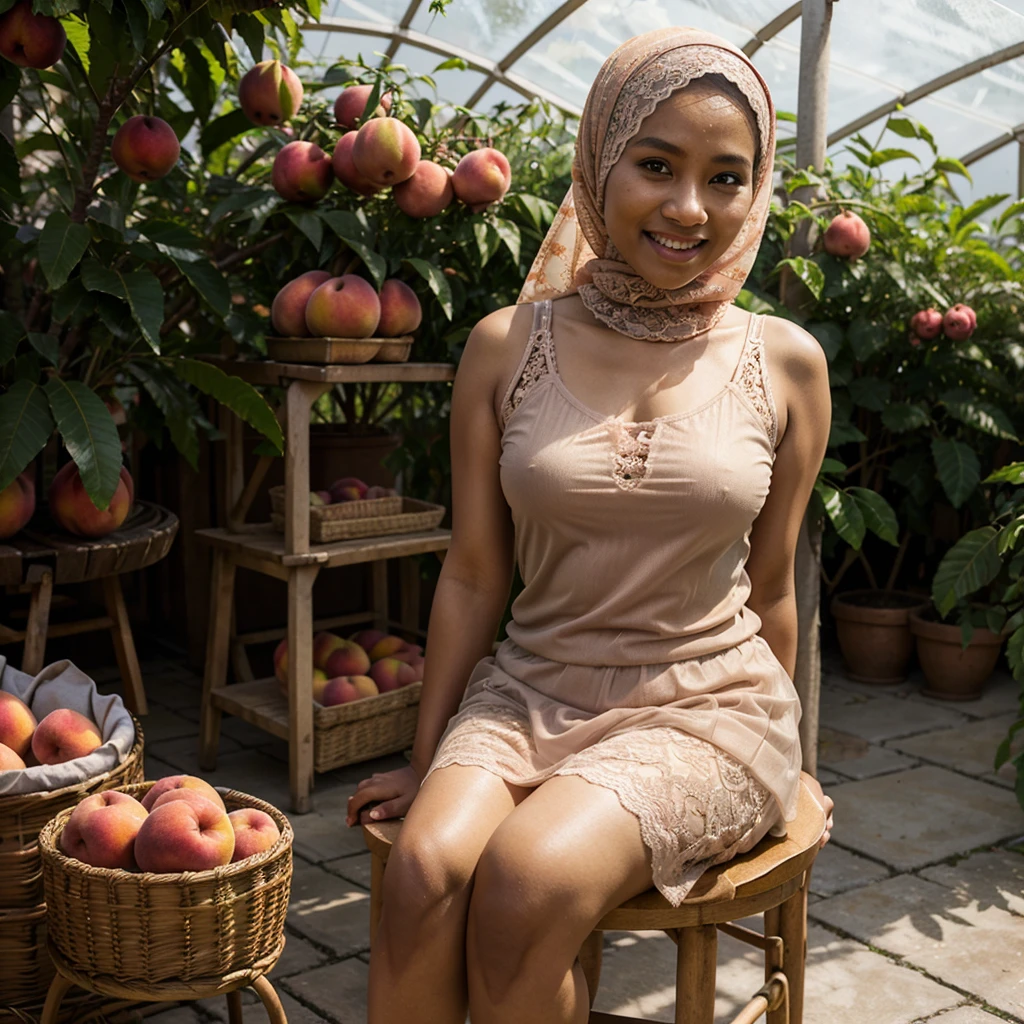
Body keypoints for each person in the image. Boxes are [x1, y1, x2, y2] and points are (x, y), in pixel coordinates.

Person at [347, 26, 835, 1024]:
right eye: (656, 164)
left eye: (726, 177)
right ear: (599, 160)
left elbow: (776, 585)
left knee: (526, 881)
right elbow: (476, 576)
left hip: (709, 712)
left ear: (756, 188)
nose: (690, 207)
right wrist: (427, 748)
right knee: (423, 877)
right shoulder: (504, 347)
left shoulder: (785, 362)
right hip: (531, 690)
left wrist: (796, 764)